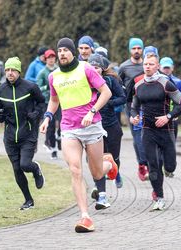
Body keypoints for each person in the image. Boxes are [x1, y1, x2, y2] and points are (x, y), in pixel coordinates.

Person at [39, 38, 118, 233]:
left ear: (73, 52)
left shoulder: (86, 69)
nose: (62, 53)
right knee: (75, 170)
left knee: (97, 173)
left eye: (66, 50)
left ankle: (109, 164)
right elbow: (54, 100)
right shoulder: (53, 76)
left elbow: (106, 92)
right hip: (69, 129)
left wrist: (92, 112)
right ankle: (85, 216)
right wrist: (48, 117)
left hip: (91, 127)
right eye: (60, 50)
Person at [131, 53, 181, 211]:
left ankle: (168, 169)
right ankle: (159, 197)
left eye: (150, 64)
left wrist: (168, 116)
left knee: (170, 166)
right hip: (148, 131)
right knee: (153, 165)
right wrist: (133, 116)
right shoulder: (138, 85)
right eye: (145, 64)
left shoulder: (166, 83)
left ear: (157, 66)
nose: (147, 66)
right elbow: (134, 106)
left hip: (166, 130)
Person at [0, 57, 45, 210]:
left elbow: (41, 102)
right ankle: (28, 200)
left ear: (19, 71)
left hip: (28, 133)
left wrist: (36, 114)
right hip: (10, 136)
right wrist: (0, 116)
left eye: (13, 70)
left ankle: (35, 169)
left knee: (25, 165)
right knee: (17, 169)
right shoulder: (1, 90)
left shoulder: (30, 87)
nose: (10, 73)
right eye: (7, 70)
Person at [88, 54, 126, 189]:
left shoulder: (110, 81)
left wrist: (108, 103)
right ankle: (98, 188)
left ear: (103, 68)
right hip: (94, 126)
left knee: (114, 158)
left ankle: (116, 172)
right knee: (97, 159)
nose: (94, 70)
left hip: (111, 125)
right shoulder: (85, 82)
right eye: (92, 67)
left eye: (97, 67)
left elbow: (123, 97)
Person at [118, 37, 149, 181]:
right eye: (134, 48)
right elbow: (118, 85)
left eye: (139, 48)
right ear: (130, 50)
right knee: (137, 137)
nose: (136, 51)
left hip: (148, 105)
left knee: (149, 135)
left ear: (142, 49)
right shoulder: (124, 67)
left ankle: (150, 163)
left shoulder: (148, 65)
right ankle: (142, 165)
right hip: (132, 106)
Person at [36, 49, 59, 159]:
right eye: (49, 57)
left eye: (53, 57)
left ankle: (59, 137)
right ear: (45, 59)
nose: (51, 59)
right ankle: (53, 149)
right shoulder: (42, 73)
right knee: (51, 127)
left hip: (61, 101)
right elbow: (38, 88)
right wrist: (49, 86)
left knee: (63, 121)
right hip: (48, 102)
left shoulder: (59, 70)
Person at [159, 56, 181, 139]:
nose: (166, 70)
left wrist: (179, 105)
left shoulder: (177, 81)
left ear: (172, 68)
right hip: (159, 115)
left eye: (168, 68)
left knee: (172, 141)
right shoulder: (155, 80)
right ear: (159, 67)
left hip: (173, 116)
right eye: (164, 68)